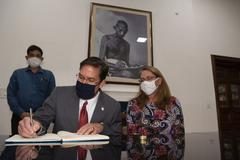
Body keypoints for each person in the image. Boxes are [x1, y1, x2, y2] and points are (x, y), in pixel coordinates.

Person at [18, 57, 122, 138]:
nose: (84, 83)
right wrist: (34, 124)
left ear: (102, 83)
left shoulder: (112, 106)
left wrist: (101, 128)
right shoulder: (59, 94)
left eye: (90, 80)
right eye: (81, 77)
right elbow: (41, 118)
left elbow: (117, 133)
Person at [7, 45, 56, 135]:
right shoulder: (17, 74)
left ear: (42, 59)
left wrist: (38, 114)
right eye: (32, 55)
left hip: (41, 118)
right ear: (27, 57)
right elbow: (11, 95)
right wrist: (21, 113)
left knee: (40, 146)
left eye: (37, 56)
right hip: (19, 117)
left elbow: (51, 97)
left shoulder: (49, 75)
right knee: (17, 146)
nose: (34, 57)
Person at [126, 66, 184, 137]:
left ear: (159, 81)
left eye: (149, 78)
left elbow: (179, 131)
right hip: (141, 146)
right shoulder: (133, 104)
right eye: (142, 80)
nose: (145, 82)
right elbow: (131, 132)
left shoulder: (172, 102)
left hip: (168, 146)